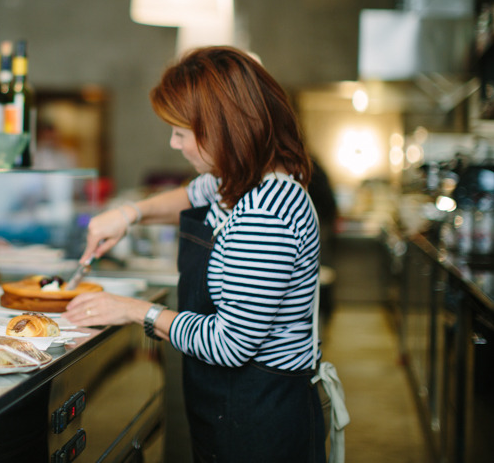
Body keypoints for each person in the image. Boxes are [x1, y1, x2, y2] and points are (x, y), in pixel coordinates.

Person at [64, 46, 326, 462]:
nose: (174, 143)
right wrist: (128, 214)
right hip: (228, 407)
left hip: (259, 419)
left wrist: (134, 310)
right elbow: (190, 196)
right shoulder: (237, 181)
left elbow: (230, 345)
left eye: (181, 132)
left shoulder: (265, 213)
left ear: (224, 129)